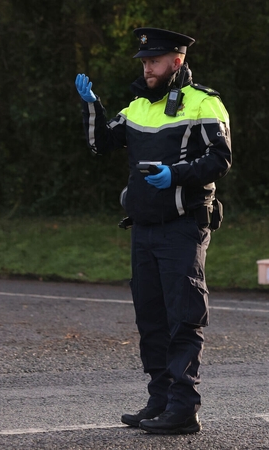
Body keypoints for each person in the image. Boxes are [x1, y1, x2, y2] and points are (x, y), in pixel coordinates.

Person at [74, 27, 231, 434]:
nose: (147, 68)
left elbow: (220, 160)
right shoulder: (137, 106)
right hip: (143, 229)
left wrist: (176, 175)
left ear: (176, 62)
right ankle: (159, 399)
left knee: (183, 318)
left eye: (154, 61)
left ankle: (184, 408)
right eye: (144, 62)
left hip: (182, 227)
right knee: (152, 320)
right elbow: (99, 146)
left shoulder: (204, 104)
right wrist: (92, 107)